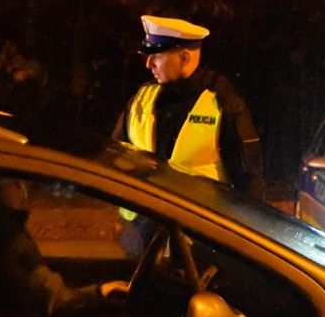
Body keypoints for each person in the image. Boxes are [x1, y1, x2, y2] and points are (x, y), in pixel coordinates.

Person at [0, 175, 128, 317]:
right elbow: (50, 303)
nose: (25, 189)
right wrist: (99, 297)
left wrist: (97, 290)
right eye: (20, 182)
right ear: (5, 187)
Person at [112, 15, 265, 200]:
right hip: (141, 224)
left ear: (184, 58)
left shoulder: (224, 103)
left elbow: (250, 184)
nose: (148, 63)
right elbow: (115, 156)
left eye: (157, 55)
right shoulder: (141, 98)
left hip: (195, 225)